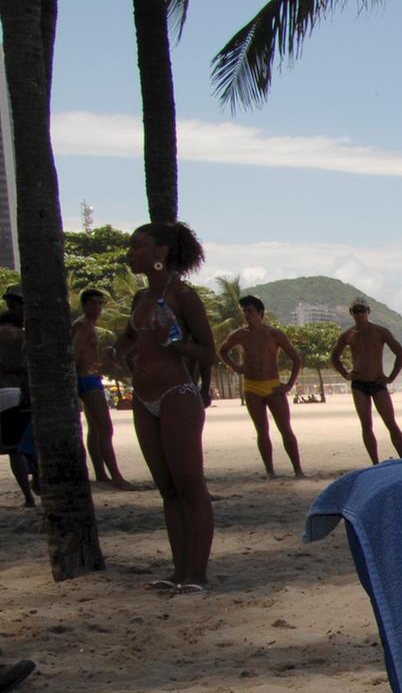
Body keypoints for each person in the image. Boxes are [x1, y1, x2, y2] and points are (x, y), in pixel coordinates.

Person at [115, 222, 216, 594]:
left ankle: (198, 574)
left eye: (137, 246)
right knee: (168, 490)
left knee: (191, 487)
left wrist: (173, 344)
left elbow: (210, 352)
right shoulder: (140, 299)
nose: (130, 253)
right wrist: (117, 353)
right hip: (143, 398)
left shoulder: (184, 296)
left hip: (177, 395)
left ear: (159, 253)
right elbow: (128, 339)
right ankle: (178, 572)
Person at [218, 295, 304, 478]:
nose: (247, 315)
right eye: (245, 312)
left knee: (285, 428)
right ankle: (270, 471)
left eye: (250, 311)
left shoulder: (274, 334)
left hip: (273, 385)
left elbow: (296, 359)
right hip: (251, 387)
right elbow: (222, 351)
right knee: (261, 430)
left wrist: (289, 385)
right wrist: (235, 367)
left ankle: (298, 469)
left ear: (260, 313)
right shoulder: (240, 335)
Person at [71, 289, 136, 489]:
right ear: (84, 305)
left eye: (100, 303)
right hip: (86, 379)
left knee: (95, 429)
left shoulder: (88, 325)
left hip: (90, 378)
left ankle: (101, 473)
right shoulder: (82, 325)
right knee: (105, 427)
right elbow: (74, 353)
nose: (97, 307)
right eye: (93, 303)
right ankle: (116, 476)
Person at [330, 300, 402, 464]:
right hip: (359, 385)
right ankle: (375, 462)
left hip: (378, 383)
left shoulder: (380, 332)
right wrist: (346, 374)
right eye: (356, 311)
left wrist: (391, 377)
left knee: (390, 422)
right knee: (366, 424)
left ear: (368, 311)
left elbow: (400, 354)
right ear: (351, 312)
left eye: (362, 310)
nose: (360, 314)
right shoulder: (348, 335)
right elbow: (334, 357)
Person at [0, 290, 36, 506]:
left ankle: (29, 496)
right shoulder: (21, 335)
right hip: (17, 392)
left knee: (14, 449)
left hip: (5, 393)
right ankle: (32, 491)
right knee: (25, 446)